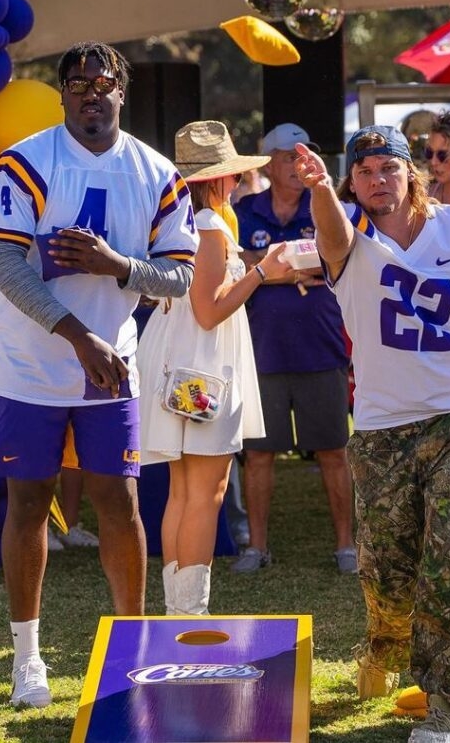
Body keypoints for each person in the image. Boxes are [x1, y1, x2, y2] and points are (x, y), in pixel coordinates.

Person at [294, 125, 450, 743]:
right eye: (364, 172)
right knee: (388, 573)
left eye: (388, 168)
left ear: (413, 172)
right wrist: (321, 189)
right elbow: (328, 232)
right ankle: (384, 641)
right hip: (380, 427)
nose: (377, 182)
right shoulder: (348, 236)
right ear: (352, 182)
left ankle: (447, 711)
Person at [0, 41, 198, 708]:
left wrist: (117, 265)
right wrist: (78, 337)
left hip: (113, 363)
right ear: (62, 93)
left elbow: (181, 275)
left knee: (119, 502)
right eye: (76, 81)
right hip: (31, 365)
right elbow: (4, 265)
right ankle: (27, 657)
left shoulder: (157, 172)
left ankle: (133, 648)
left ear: (121, 91)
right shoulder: (23, 163)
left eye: (102, 81)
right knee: (29, 499)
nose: (89, 92)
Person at [137, 120, 289, 614]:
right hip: (200, 364)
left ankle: (178, 610)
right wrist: (264, 272)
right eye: (235, 175)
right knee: (205, 491)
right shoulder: (207, 225)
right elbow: (209, 309)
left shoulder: (174, 221)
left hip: (180, 358)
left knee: (185, 492)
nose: (241, 183)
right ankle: (189, 613)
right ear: (220, 179)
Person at [233, 122, 355, 574]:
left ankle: (346, 546)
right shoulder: (243, 208)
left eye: (304, 155)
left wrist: (263, 267)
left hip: (320, 345)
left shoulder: (327, 205)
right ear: (268, 162)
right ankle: (257, 547)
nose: (296, 163)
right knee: (259, 454)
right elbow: (228, 261)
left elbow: (336, 258)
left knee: (332, 450)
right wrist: (287, 267)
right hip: (259, 348)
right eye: (287, 155)